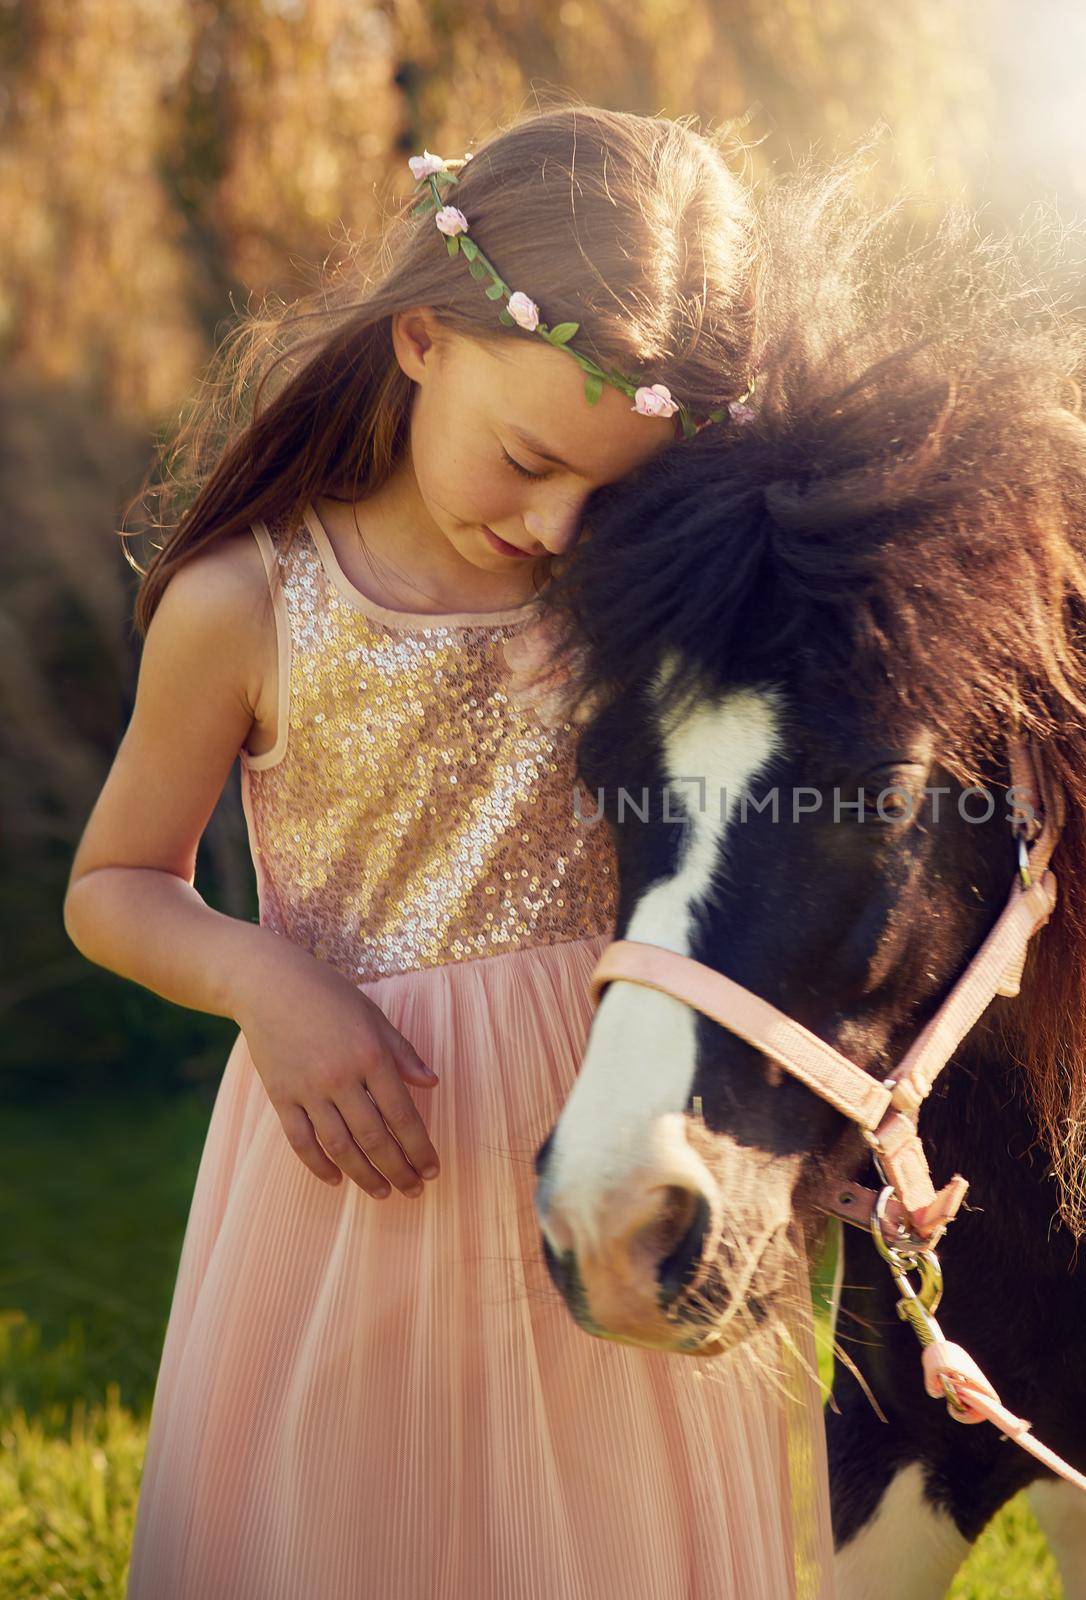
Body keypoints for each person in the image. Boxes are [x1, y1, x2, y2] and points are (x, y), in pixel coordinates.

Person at [62, 105, 832, 1599]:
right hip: (364, 1169)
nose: (558, 526)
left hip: (622, 1137)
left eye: (614, 492)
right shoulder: (249, 600)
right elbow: (114, 886)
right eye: (532, 460)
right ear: (422, 339)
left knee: (617, 1540)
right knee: (363, 1531)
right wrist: (268, 987)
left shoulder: (650, 601)